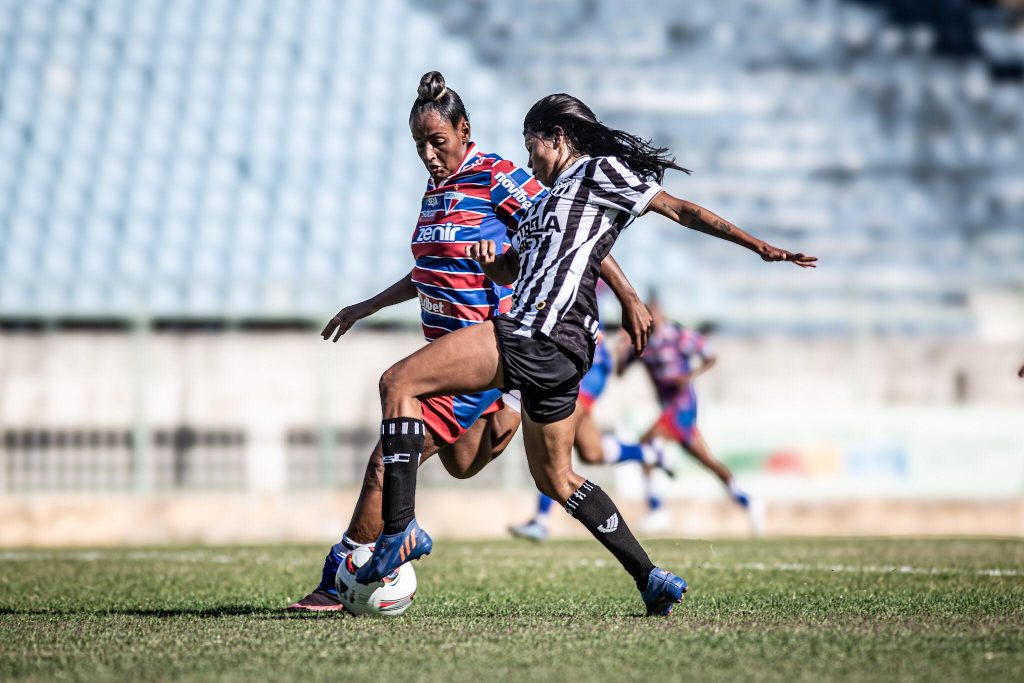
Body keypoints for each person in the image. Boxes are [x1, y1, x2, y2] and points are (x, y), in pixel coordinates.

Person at [354, 92, 815, 616]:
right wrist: (489, 259)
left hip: (535, 332)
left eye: (533, 149)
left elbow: (681, 210)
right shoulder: (544, 205)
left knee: (398, 383)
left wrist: (760, 247)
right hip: (564, 356)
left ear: (559, 138)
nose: (529, 163)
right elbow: (510, 269)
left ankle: (399, 530)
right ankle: (650, 576)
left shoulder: (598, 173)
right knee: (558, 479)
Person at [287, 74, 650, 611]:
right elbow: (428, 270)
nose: (429, 155)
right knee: (461, 463)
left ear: (465, 130)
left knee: (385, 464)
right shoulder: (437, 192)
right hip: (450, 357)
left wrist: (628, 295)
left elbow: (570, 227)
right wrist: (367, 306)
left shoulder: (497, 176)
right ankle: (510, 406)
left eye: (438, 141)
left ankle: (335, 583)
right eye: (419, 145)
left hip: (479, 351)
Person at [507, 328, 671, 543]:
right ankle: (648, 453)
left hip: (583, 365)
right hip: (577, 364)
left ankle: (541, 520)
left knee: (554, 445)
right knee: (591, 452)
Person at [618, 306, 764, 535]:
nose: (652, 318)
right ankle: (748, 501)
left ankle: (657, 509)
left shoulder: (678, 336)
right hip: (668, 409)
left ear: (661, 315)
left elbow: (710, 356)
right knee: (708, 461)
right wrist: (622, 346)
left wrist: (689, 376)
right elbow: (620, 371)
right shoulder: (642, 343)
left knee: (646, 442)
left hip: (684, 405)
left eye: (655, 313)